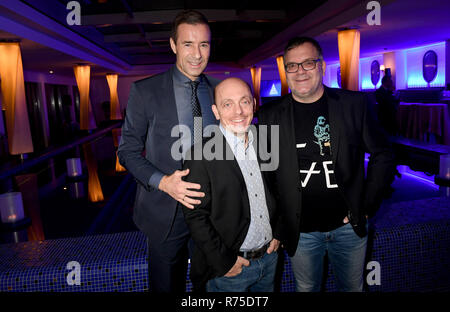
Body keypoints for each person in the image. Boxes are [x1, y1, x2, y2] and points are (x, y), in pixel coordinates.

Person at [257, 37, 395, 292]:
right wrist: (279, 223)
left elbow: (383, 153)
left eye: (308, 63)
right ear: (285, 70)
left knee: (352, 288)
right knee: (307, 288)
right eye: (292, 66)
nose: (300, 71)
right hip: (301, 230)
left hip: (348, 227)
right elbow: (267, 175)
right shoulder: (269, 115)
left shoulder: (354, 105)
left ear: (321, 65)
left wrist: (367, 205)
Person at [117, 10, 220, 292]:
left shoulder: (219, 92)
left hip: (210, 213)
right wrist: (163, 182)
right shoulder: (145, 91)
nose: (197, 54)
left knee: (208, 286)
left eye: (204, 45)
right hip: (166, 213)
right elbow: (126, 151)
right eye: (188, 44)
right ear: (174, 45)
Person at [182, 78, 282, 292]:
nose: (238, 111)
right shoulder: (199, 156)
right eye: (228, 104)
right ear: (216, 111)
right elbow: (195, 216)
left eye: (244, 102)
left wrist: (279, 232)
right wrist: (224, 262)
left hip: (269, 258)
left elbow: (279, 190)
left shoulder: (266, 141)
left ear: (254, 104)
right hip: (231, 269)